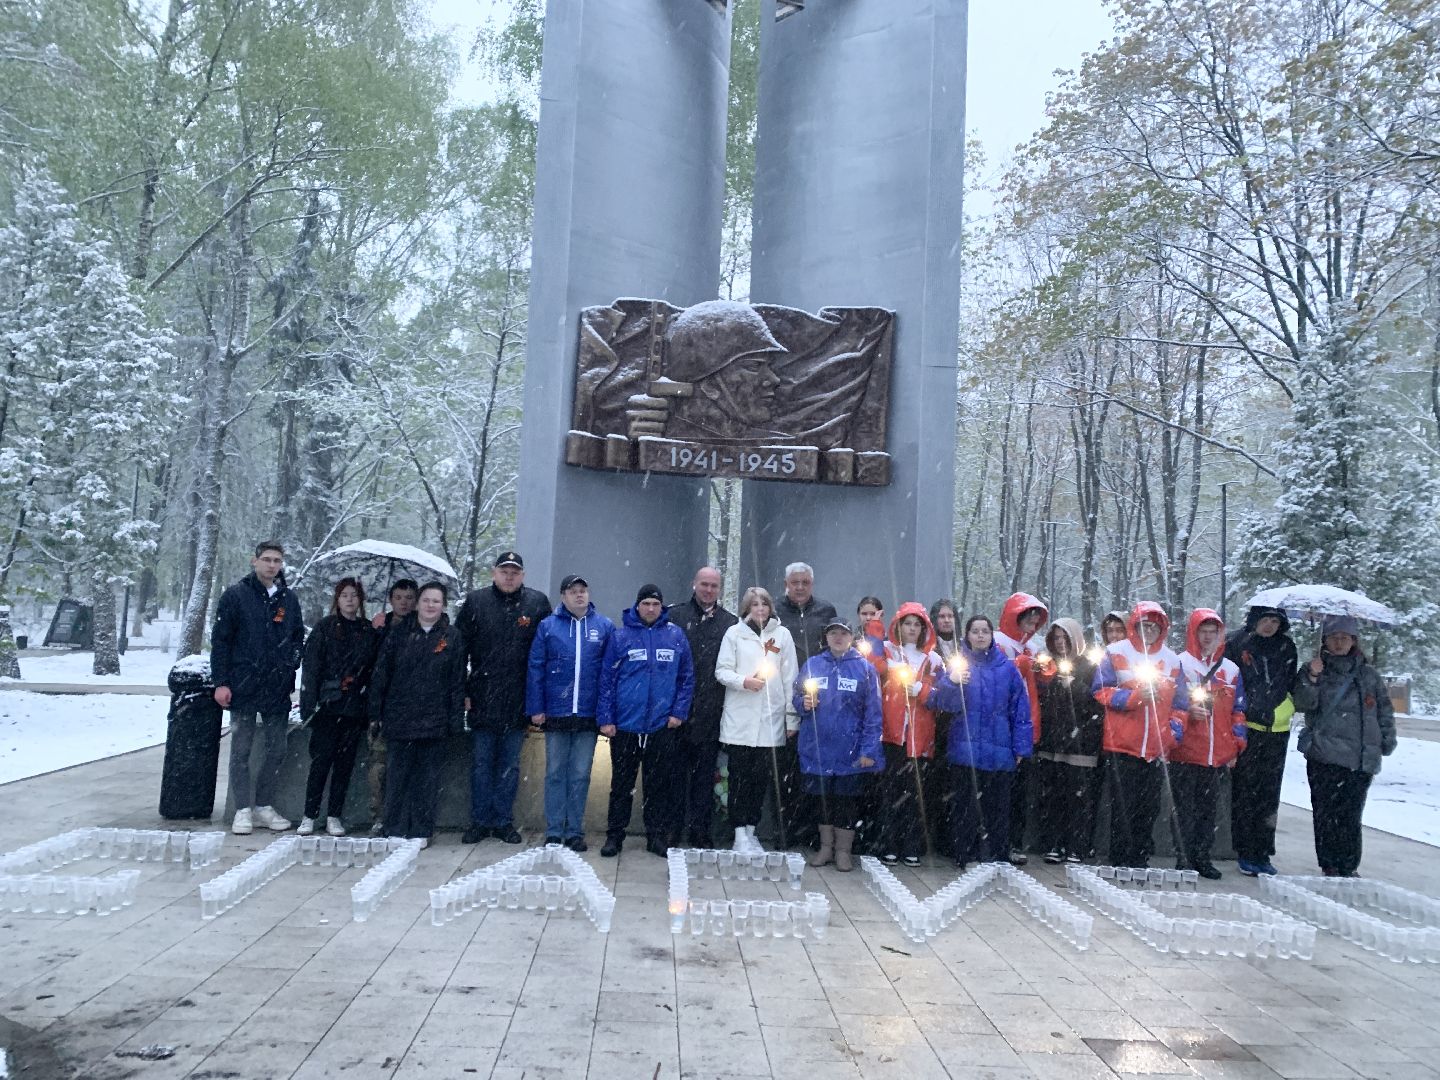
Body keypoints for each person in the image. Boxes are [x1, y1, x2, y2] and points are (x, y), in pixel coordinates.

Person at [211, 541, 306, 835]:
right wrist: (221, 682)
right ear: (254, 561)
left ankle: (263, 805)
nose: (271, 565)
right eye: (266, 559)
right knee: (241, 749)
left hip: (276, 688)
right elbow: (221, 642)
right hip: (242, 685)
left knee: (278, 748)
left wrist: (290, 665)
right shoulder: (236, 596)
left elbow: (296, 638)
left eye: (277, 560)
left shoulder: (288, 600)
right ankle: (242, 809)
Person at [457, 552, 551, 845]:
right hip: (483, 697)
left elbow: (546, 654)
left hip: (518, 699)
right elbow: (459, 650)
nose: (509, 576)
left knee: (510, 767)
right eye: (504, 571)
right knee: (482, 765)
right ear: (494, 573)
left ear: (522, 575)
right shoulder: (476, 602)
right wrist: (464, 692)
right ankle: (479, 821)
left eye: (515, 572)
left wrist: (539, 700)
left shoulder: (537, 603)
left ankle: (503, 821)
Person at [1292, 615, 1396, 877]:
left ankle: (1348, 865)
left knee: (1351, 814)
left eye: (1344, 638)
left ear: (1354, 641)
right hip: (1325, 754)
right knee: (1326, 813)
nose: (1339, 643)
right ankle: (1330, 863)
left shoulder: (1368, 674)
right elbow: (1303, 704)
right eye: (1334, 637)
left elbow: (1383, 709)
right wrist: (1313, 678)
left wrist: (1386, 739)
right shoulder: (1314, 669)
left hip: (1360, 757)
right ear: (1325, 640)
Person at [598, 584, 696, 857]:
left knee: (657, 786)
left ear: (661, 607)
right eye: (646, 604)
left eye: (655, 604)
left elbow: (686, 678)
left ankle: (656, 836)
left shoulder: (675, 636)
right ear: (637, 606)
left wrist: (678, 712)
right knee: (621, 785)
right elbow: (607, 679)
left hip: (661, 726)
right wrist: (606, 718)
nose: (650, 609)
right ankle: (614, 836)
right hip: (626, 726)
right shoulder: (621, 637)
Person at [928, 615, 1032, 869]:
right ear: (967, 635)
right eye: (975, 631)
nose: (980, 636)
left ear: (991, 635)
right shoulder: (958, 666)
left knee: (998, 807)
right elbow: (942, 704)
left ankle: (997, 854)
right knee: (965, 806)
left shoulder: (1007, 669)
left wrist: (1021, 746)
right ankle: (966, 853)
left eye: (985, 631)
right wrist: (952, 683)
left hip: (1000, 749)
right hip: (967, 747)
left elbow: (1020, 710)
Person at [1092, 602, 1191, 868]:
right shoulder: (1115, 652)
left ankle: (1140, 856)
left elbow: (1181, 704)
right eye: (1144, 626)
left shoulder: (1172, 660)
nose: (1149, 631)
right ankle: (1119, 856)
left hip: (1158, 747)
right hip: (1123, 744)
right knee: (1123, 805)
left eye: (1154, 627)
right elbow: (1101, 690)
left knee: (1149, 806)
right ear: (1134, 626)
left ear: (1162, 629)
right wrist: (1135, 697)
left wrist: (1174, 732)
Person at [367, 582, 466, 846]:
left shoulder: (452, 637)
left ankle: (422, 829)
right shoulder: (399, 633)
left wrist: (456, 719)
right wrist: (376, 711)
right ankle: (395, 826)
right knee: (398, 777)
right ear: (418, 603)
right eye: (426, 600)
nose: (430, 605)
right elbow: (382, 674)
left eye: (436, 601)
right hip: (400, 717)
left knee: (427, 779)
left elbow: (457, 681)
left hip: (435, 719)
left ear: (443, 605)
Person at [525, 575, 615, 852]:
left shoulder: (604, 626)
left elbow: (609, 673)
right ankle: (554, 831)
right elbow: (536, 667)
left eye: (583, 591)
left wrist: (605, 713)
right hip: (557, 712)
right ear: (563, 596)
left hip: (588, 714)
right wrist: (536, 708)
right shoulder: (548, 627)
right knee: (554, 772)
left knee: (580, 773)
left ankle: (574, 830)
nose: (579, 596)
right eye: (573, 591)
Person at [792, 618, 883, 871]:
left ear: (851, 637)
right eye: (833, 633)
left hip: (850, 751)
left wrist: (868, 750)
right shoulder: (813, 664)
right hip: (818, 748)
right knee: (822, 801)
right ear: (827, 637)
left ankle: (844, 851)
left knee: (845, 802)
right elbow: (797, 696)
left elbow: (873, 715)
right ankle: (825, 848)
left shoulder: (865, 669)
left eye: (843, 633)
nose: (838, 637)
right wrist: (803, 704)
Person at [714, 586, 798, 849]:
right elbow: (722, 671)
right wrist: (744, 682)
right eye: (754, 605)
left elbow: (790, 678)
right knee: (738, 779)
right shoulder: (735, 634)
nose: (760, 609)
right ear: (746, 609)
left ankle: (752, 831)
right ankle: (738, 832)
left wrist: (791, 719)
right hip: (741, 720)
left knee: (760, 781)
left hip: (770, 722)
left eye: (764, 604)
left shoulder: (782, 635)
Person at [298, 578, 380, 837]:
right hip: (327, 707)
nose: (349, 600)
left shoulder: (368, 631)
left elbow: (374, 669)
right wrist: (309, 705)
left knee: (345, 765)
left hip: (354, 708)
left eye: (354, 595)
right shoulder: (324, 628)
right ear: (337, 598)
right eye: (344, 595)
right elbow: (311, 669)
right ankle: (309, 814)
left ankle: (335, 814)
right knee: (321, 763)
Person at [1171, 609, 1248, 879]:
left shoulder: (1231, 670)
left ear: (1220, 636)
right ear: (1193, 633)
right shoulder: (1179, 663)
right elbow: (1171, 703)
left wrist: (1237, 744)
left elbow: (1238, 711)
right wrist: (1188, 714)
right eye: (1203, 632)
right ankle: (1184, 857)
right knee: (1183, 809)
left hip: (1217, 753)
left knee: (1208, 811)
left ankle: (1202, 856)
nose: (1207, 637)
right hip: (1185, 750)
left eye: (1212, 633)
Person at [1224, 605, 1299, 876]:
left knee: (1269, 796)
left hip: (1277, 729)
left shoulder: (1287, 648)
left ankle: (1263, 851)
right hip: (1248, 726)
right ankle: (1245, 850)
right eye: (1265, 620)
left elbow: (1291, 683)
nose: (1269, 626)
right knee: (1245, 792)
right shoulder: (1236, 643)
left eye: (1274, 621)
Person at [670, 566, 738, 847]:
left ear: (719, 589)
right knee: (674, 776)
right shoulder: (675, 617)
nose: (708, 590)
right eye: (704, 584)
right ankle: (672, 830)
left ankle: (700, 830)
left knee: (704, 778)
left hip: (712, 713)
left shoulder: (730, 624)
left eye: (714, 586)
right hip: (677, 713)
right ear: (694, 584)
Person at [872, 603, 945, 865]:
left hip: (920, 737)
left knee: (916, 795)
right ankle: (889, 843)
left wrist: (921, 691)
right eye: (908, 624)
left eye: (917, 624)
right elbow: (871, 664)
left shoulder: (933, 659)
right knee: (891, 792)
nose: (912, 629)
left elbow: (942, 696)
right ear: (898, 626)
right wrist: (874, 626)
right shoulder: (889, 651)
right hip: (893, 735)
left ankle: (912, 844)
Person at [774, 562, 840, 847]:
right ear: (786, 583)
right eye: (794, 582)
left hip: (819, 701)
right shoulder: (774, 610)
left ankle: (813, 833)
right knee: (785, 771)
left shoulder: (826, 611)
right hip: (783, 697)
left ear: (812, 584)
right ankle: (785, 831)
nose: (799, 587)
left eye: (805, 582)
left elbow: (834, 649)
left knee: (815, 772)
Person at [1032, 618, 1104, 864]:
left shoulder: (1091, 667)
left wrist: (1075, 687)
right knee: (1053, 796)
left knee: (1079, 797)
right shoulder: (1047, 667)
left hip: (1081, 742)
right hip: (1053, 743)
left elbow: (1098, 702)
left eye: (1065, 638)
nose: (1061, 643)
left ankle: (1077, 845)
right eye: (1056, 639)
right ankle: (1054, 843)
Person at [995, 592, 1048, 865]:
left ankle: (1013, 841)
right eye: (1028, 616)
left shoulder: (1033, 647)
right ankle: (998, 842)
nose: (1033, 622)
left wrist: (1043, 670)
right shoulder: (999, 643)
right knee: (1001, 789)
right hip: (1003, 724)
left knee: (1019, 792)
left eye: (1036, 618)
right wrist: (1021, 666)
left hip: (1026, 724)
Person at [366, 580, 418, 835]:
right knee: (379, 767)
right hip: (383, 707)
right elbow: (371, 666)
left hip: (412, 709)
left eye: (409, 597)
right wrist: (376, 633)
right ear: (391, 599)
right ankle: (379, 816)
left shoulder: (423, 627)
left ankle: (404, 815)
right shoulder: (379, 627)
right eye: (399, 597)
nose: (404, 602)